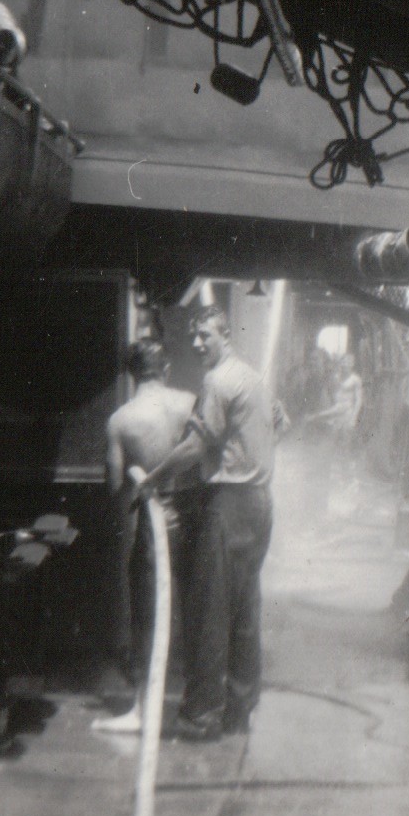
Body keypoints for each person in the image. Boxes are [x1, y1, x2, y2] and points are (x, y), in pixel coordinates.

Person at [145, 304, 278, 741]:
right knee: (244, 609)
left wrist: (153, 477)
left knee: (210, 610)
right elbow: (281, 420)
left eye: (206, 335)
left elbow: (196, 446)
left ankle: (202, 716)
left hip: (231, 504)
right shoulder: (253, 377)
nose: (198, 343)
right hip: (260, 503)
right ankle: (240, 711)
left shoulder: (217, 380)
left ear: (226, 336)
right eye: (194, 335)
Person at [92, 337, 200, 736]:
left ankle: (143, 707)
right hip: (192, 522)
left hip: (151, 530)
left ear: (131, 374)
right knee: (193, 613)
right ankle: (195, 705)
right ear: (166, 368)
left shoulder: (121, 420)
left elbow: (115, 484)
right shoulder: (188, 403)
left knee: (146, 620)